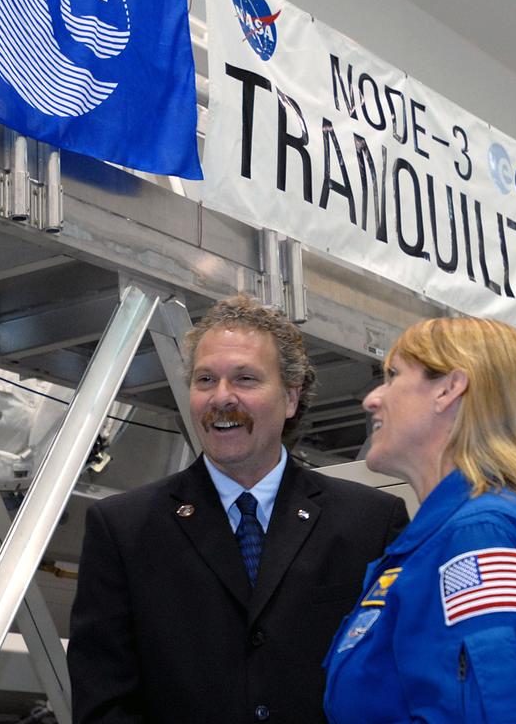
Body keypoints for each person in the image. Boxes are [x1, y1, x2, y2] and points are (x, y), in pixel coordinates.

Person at [67, 294, 409, 724]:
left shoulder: (371, 524)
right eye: (205, 380)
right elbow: (103, 704)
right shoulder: (123, 529)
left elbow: (398, 682)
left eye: (245, 379)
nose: (221, 398)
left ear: (290, 397)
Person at [323, 317, 516, 723]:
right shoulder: (439, 540)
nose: (371, 400)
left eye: (393, 375)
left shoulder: (483, 535)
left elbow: (497, 712)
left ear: (449, 389)